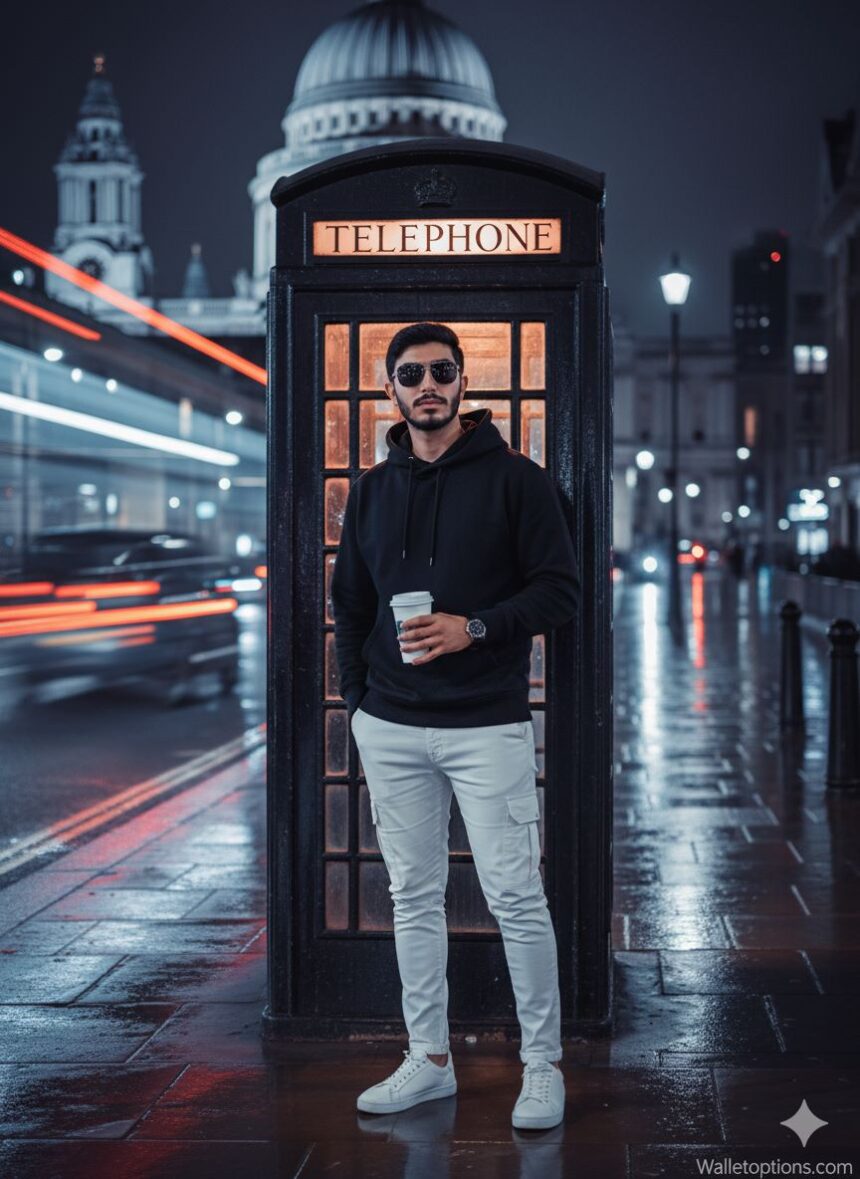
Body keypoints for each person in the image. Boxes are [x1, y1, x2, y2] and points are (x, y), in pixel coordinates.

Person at [331, 322, 579, 1130]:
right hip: (392, 727)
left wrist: (473, 627)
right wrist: (360, 703)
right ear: (392, 389)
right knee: (413, 895)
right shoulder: (370, 490)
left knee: (515, 894)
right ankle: (429, 1058)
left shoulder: (518, 481)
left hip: (486, 724)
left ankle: (542, 1065)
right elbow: (350, 605)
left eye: (442, 371)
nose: (427, 384)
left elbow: (560, 593)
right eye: (412, 374)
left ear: (463, 382)